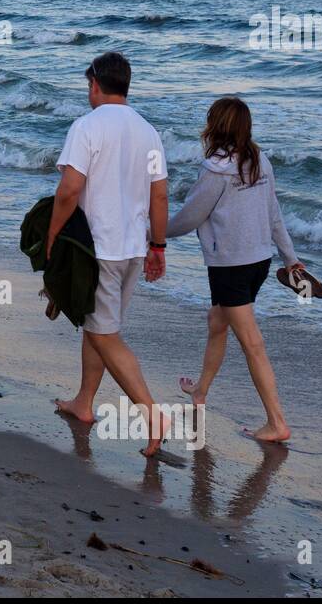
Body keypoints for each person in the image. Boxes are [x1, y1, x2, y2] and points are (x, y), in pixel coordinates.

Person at [49, 52, 170, 456]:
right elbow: (160, 194)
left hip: (96, 249)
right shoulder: (149, 132)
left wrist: (51, 239)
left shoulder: (86, 127)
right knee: (98, 327)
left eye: (89, 85)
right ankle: (84, 402)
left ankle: (152, 414)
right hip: (134, 249)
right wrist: (158, 246)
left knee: (105, 334)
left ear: (95, 84)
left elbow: (68, 191)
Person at [165, 96, 301, 443]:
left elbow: (191, 216)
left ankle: (276, 422)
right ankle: (200, 391)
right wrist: (289, 257)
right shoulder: (260, 161)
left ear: (216, 126)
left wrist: (155, 231)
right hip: (259, 261)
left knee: (252, 344)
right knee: (217, 322)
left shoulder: (216, 169)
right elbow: (274, 215)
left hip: (230, 267)